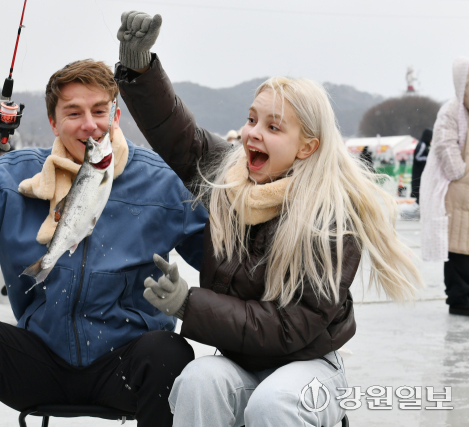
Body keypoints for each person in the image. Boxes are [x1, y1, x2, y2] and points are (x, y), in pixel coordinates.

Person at [114, 12, 423, 427]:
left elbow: (292, 326)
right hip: (241, 364)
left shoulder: (331, 217)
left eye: (273, 127)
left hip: (311, 367)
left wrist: (189, 302)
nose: (252, 133)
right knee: (198, 381)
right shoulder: (230, 178)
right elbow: (180, 138)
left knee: (273, 403)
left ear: (307, 147)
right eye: (251, 119)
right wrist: (139, 70)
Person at [0, 59, 208, 427]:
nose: (89, 124)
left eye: (99, 111)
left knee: (170, 351)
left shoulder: (161, 181)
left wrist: (187, 298)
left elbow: (219, 261)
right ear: (54, 123)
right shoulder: (15, 175)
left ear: (116, 116)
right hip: (41, 363)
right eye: (73, 113)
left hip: (124, 367)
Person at [420, 57, 469, 317]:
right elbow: (444, 145)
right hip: (457, 192)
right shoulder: (451, 111)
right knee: (459, 250)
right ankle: (459, 300)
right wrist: (460, 171)